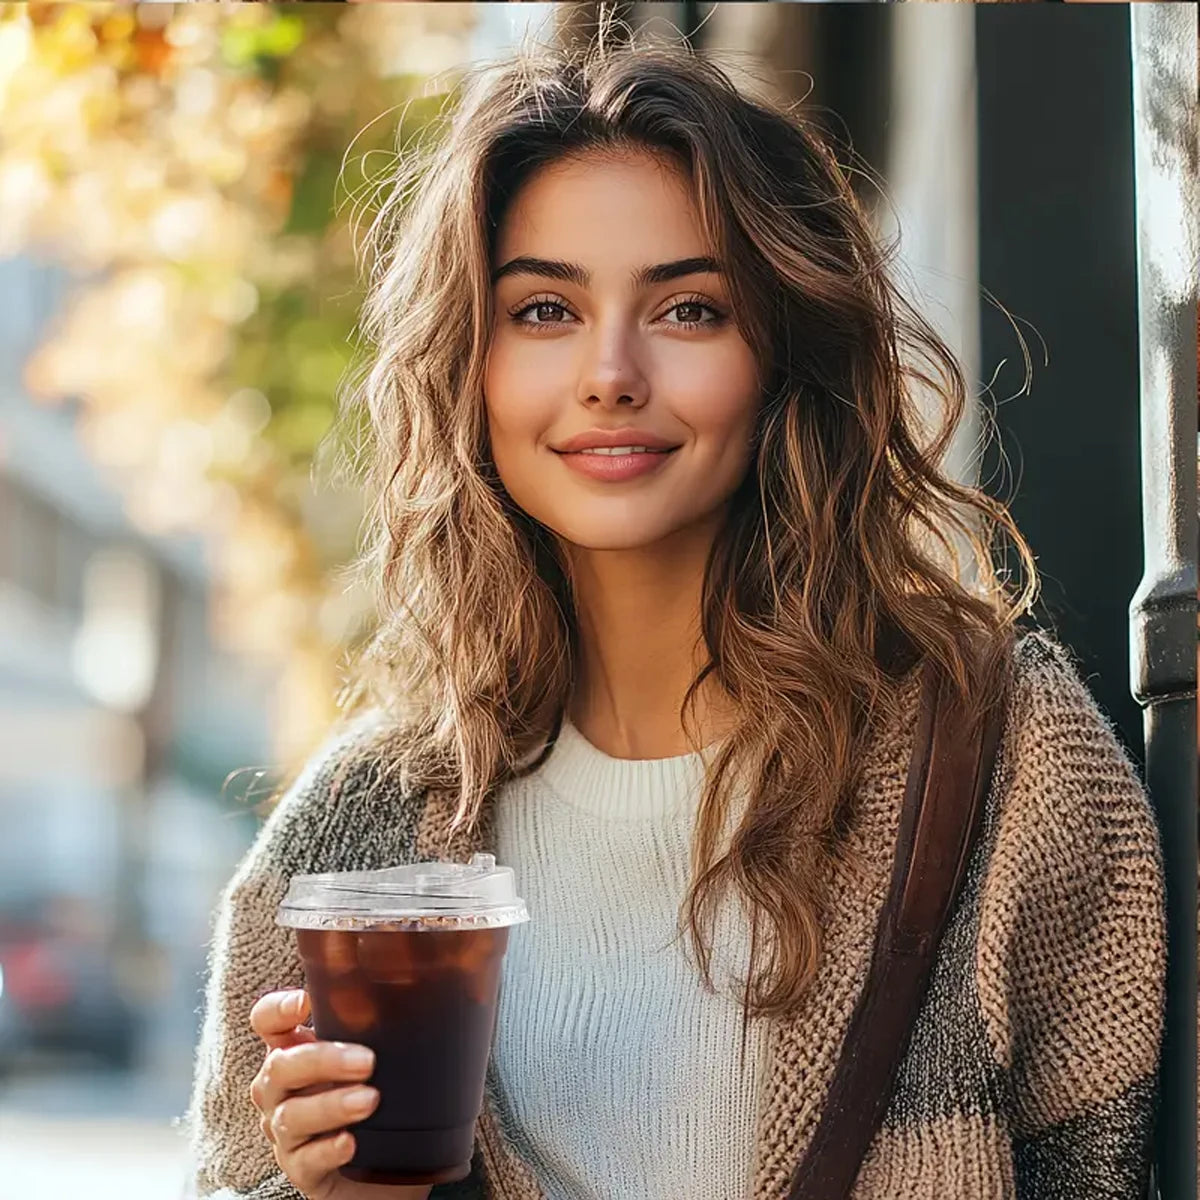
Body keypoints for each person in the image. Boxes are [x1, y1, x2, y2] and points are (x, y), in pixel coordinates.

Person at [185, 26, 1167, 1200]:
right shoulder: (357, 832)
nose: (611, 371)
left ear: (782, 354)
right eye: (543, 310)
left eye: (689, 309)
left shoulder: (1009, 757)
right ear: (471, 365)